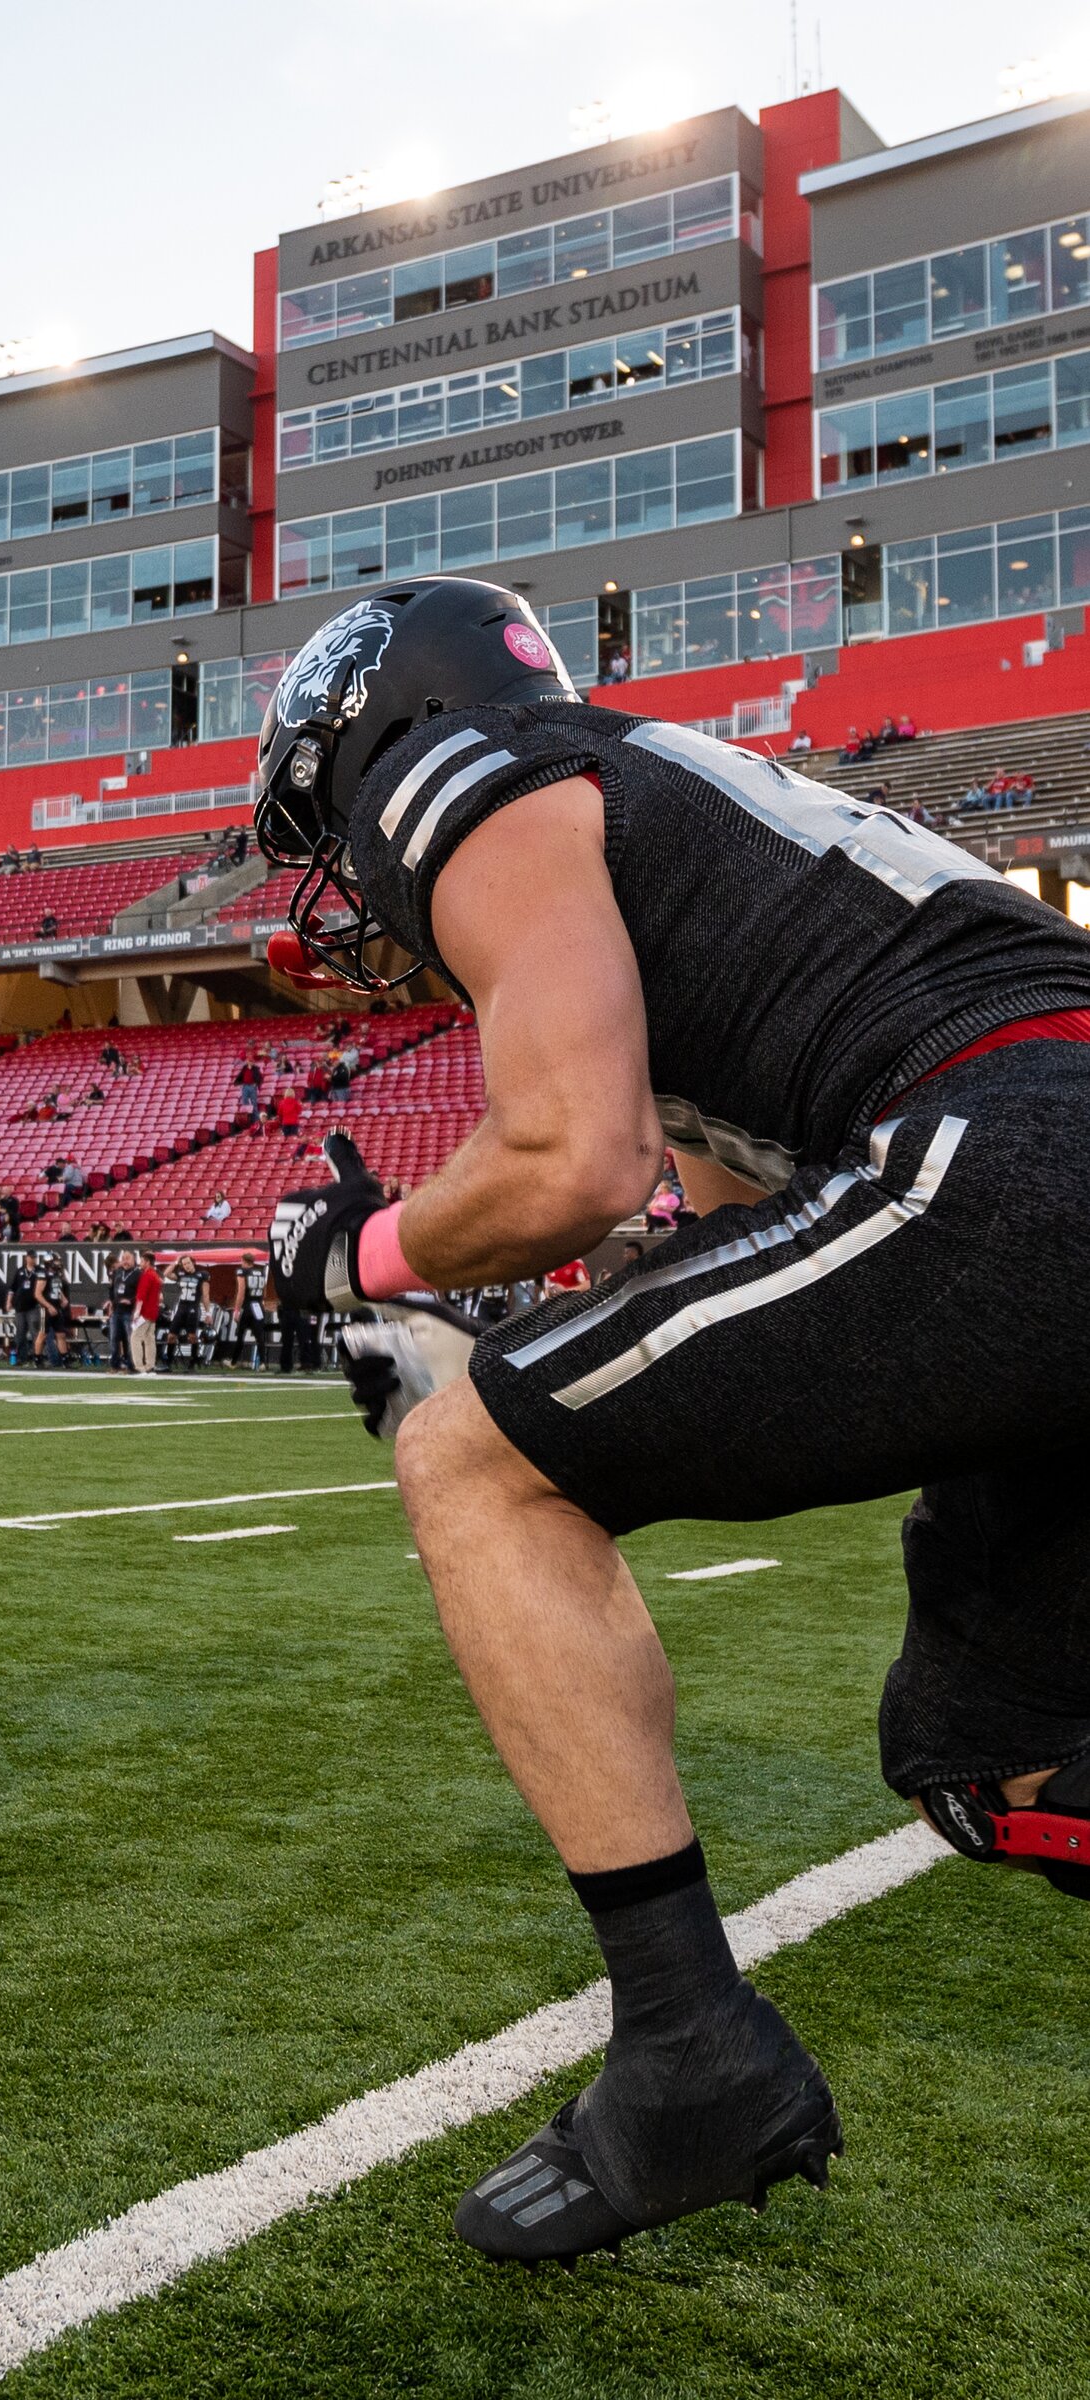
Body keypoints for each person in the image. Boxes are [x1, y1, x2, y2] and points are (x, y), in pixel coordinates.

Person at [258, 571, 1090, 2268]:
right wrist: (464, 1316)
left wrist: (356, 1257)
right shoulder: (701, 832)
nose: (355, 882)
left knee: (475, 1471)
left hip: (1022, 1153)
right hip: (1021, 1141)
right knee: (1000, 1750)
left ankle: (688, 2056)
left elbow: (572, 1157)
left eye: (330, 835)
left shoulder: (462, 770)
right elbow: (688, 1232)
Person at [166, 1253, 204, 1370]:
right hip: (181, 1308)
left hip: (193, 1308)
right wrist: (176, 1262)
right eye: (184, 1264)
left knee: (192, 1336)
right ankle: (169, 1361)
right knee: (171, 1336)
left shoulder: (201, 1275)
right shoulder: (181, 1274)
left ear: (193, 1262)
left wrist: (207, 1313)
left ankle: (193, 1361)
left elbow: (206, 1295)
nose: (187, 1266)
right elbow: (166, 1274)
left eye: (188, 1263)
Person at [106, 1248, 139, 1370]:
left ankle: (132, 1365)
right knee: (114, 1338)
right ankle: (115, 1364)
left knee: (130, 1339)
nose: (125, 1261)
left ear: (134, 1259)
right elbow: (111, 1289)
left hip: (130, 1311)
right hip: (116, 1310)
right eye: (123, 1258)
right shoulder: (117, 1272)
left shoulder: (138, 1273)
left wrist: (131, 1301)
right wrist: (111, 1302)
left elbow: (141, 1293)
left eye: (128, 1258)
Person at [129, 1251, 161, 1374]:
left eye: (142, 1261)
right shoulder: (156, 1276)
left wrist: (137, 1312)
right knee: (149, 1339)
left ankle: (139, 1366)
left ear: (147, 1262)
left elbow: (141, 1296)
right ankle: (150, 1365)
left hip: (145, 1312)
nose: (140, 1263)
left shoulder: (147, 1275)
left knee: (135, 1338)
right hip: (153, 1312)